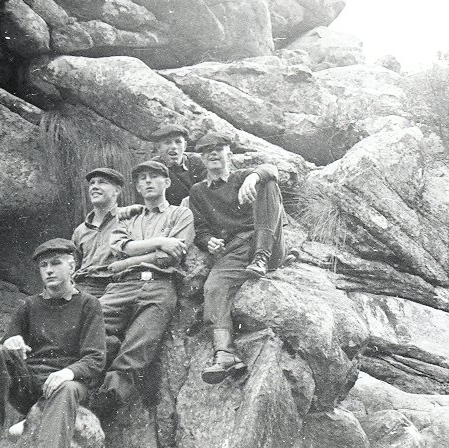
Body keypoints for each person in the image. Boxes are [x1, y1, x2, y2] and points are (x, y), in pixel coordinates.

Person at [0, 238, 106, 448]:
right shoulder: (29, 305)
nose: (49, 270)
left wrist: (67, 373)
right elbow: (6, 343)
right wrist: (11, 342)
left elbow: (96, 358)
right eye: (43, 265)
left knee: (66, 389)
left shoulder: (88, 305)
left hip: (67, 385)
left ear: (71, 266)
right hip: (30, 384)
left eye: (56, 263)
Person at [189, 132, 297, 385]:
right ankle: (224, 354)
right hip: (236, 250)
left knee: (269, 184)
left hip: (269, 243)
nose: (213, 153)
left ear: (229, 153)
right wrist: (208, 241)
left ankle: (261, 256)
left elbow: (271, 169)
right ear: (201, 158)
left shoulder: (242, 177)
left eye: (219, 148)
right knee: (214, 287)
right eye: (206, 151)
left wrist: (254, 177)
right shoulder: (199, 191)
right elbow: (201, 229)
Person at [90, 160, 194, 417]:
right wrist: (159, 242)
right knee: (89, 325)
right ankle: (81, 381)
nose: (147, 181)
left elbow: (170, 256)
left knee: (140, 343)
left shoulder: (181, 214)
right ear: (137, 187)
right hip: (122, 286)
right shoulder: (127, 217)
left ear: (167, 182)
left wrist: (127, 260)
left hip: (158, 285)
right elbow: (119, 246)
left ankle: (110, 397)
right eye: (142, 178)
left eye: (154, 176)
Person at [71, 167, 125, 299]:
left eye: (102, 182)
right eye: (92, 183)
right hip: (82, 288)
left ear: (117, 191)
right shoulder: (80, 230)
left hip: (114, 287)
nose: (94, 187)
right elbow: (73, 266)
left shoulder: (128, 220)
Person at [150, 124, 206, 206]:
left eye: (178, 142)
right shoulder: (153, 167)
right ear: (158, 147)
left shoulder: (196, 162)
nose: (173, 146)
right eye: (167, 142)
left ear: (185, 146)